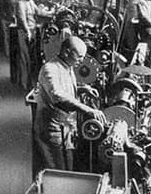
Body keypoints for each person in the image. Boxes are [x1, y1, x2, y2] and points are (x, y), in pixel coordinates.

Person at [33, 36, 105, 175]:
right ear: (66, 52)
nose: (82, 61)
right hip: (52, 129)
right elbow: (57, 95)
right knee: (57, 171)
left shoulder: (67, 65)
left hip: (64, 127)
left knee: (67, 167)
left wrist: (83, 88)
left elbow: (64, 86)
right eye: (79, 56)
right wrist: (87, 109)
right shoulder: (50, 68)